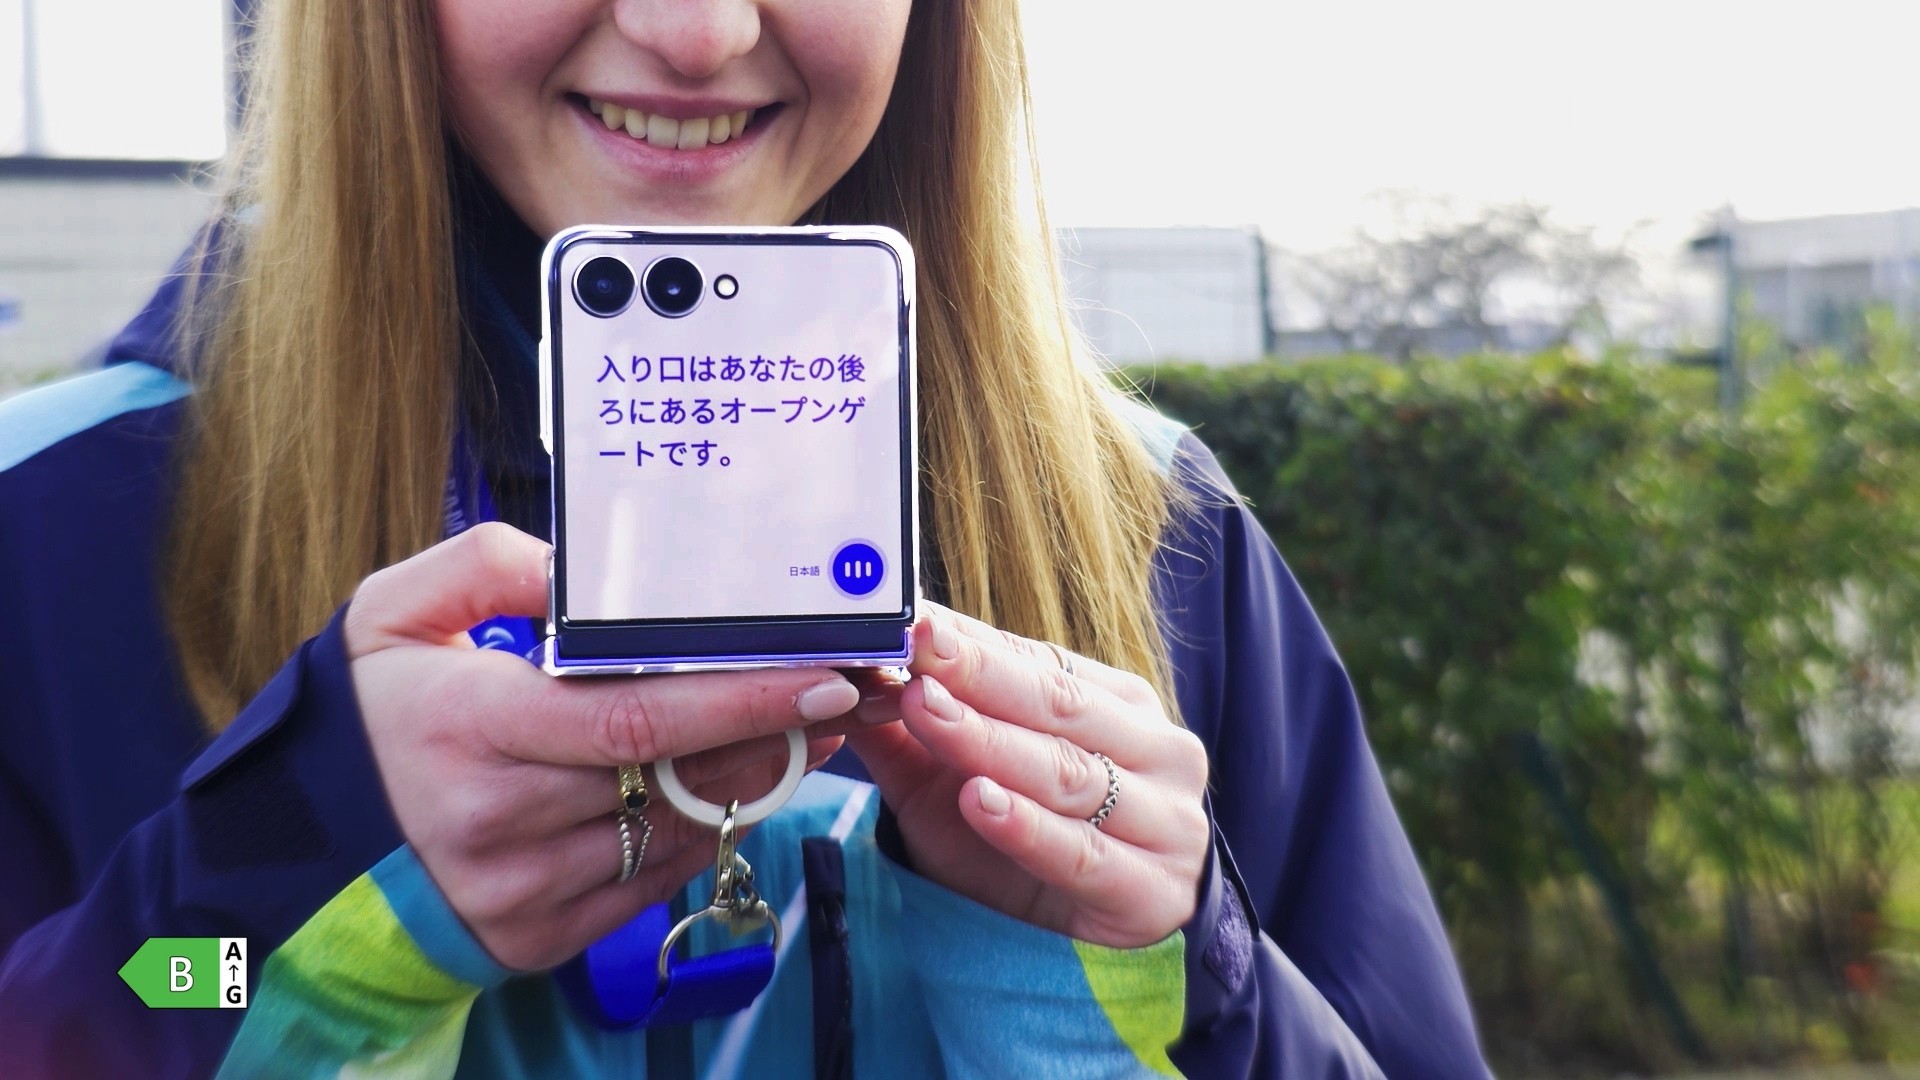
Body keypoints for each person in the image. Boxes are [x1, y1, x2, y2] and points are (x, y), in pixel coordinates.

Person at [0, 0, 1491, 1076]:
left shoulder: (1156, 528)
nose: (700, 33)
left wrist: (1193, 988)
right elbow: (122, 999)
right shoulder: (46, 527)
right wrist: (277, 886)